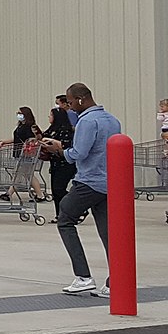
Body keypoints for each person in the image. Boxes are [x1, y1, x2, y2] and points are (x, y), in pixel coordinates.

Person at [39, 82, 122, 296]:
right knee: (108, 232)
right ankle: (116, 280)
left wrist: (59, 150)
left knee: (65, 217)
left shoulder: (87, 121)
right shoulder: (112, 120)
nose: (70, 106)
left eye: (70, 101)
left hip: (89, 181)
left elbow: (79, 153)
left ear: (80, 99)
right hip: (109, 182)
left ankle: (83, 276)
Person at [43, 105, 76, 211]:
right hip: (54, 163)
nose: (49, 117)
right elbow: (43, 136)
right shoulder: (52, 129)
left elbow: (65, 145)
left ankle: (77, 207)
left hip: (65, 163)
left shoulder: (66, 130)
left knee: (59, 189)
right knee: (55, 191)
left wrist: (52, 142)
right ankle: (59, 213)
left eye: (51, 115)